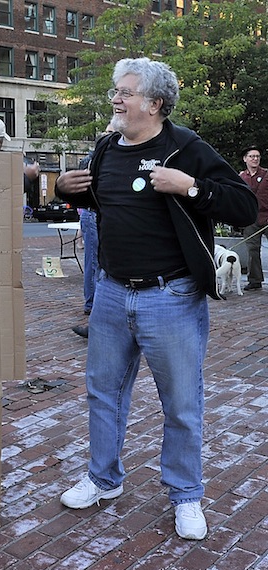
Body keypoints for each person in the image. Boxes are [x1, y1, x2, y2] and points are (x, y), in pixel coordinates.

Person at [54, 57, 256, 541]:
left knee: (181, 404)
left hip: (171, 297)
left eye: (125, 92)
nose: (116, 100)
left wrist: (190, 186)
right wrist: (65, 189)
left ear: (155, 103)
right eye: (115, 91)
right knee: (104, 393)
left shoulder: (186, 147)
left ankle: (186, 495)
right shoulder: (106, 148)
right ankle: (103, 480)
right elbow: (102, 200)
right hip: (110, 293)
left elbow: (243, 206)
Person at [71, 123, 115, 339]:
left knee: (99, 261)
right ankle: (93, 306)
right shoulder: (96, 159)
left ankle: (96, 306)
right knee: (95, 261)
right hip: (93, 212)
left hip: (97, 213)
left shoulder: (100, 157)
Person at [238, 146, 268, 291]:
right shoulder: (241, 177)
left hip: (267, 217)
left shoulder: (267, 174)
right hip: (251, 218)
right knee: (252, 250)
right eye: (251, 156)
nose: (255, 159)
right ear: (245, 159)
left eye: (257, 156)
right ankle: (255, 280)